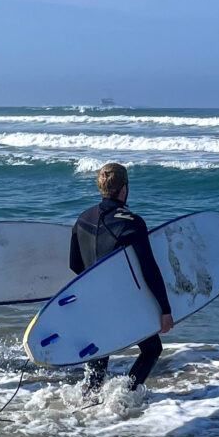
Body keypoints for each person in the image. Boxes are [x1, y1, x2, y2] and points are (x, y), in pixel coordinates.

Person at [70, 162, 173, 392]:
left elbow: (74, 264)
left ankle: (88, 402)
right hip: (122, 304)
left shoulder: (82, 219)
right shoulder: (132, 223)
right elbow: (149, 269)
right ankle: (125, 395)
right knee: (152, 349)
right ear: (124, 189)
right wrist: (165, 310)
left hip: (92, 303)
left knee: (101, 353)